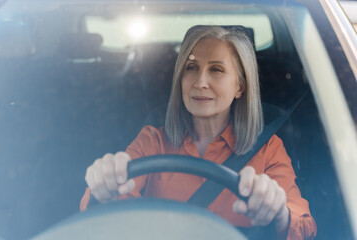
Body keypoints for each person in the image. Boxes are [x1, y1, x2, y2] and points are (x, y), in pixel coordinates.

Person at [80, 26, 317, 239]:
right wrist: (105, 185)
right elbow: (111, 208)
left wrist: (277, 212)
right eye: (191, 68)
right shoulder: (153, 141)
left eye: (216, 70)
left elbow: (303, 224)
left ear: (240, 86)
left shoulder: (268, 149)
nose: (200, 82)